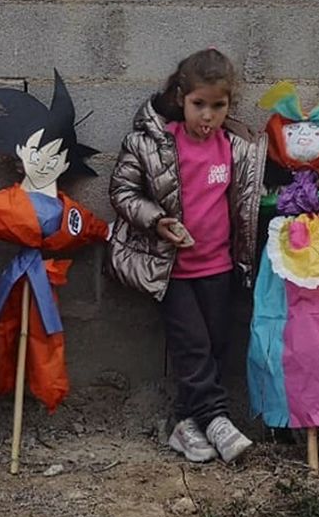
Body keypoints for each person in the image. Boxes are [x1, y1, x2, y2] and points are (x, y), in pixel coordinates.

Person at [106, 49, 266, 464]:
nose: (207, 116)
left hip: (221, 267)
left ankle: (185, 423)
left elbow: (254, 195)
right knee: (192, 346)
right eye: (199, 105)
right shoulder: (153, 142)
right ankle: (216, 419)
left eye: (218, 105)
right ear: (181, 97)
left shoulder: (238, 147)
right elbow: (123, 192)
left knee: (214, 346)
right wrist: (158, 220)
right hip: (172, 269)